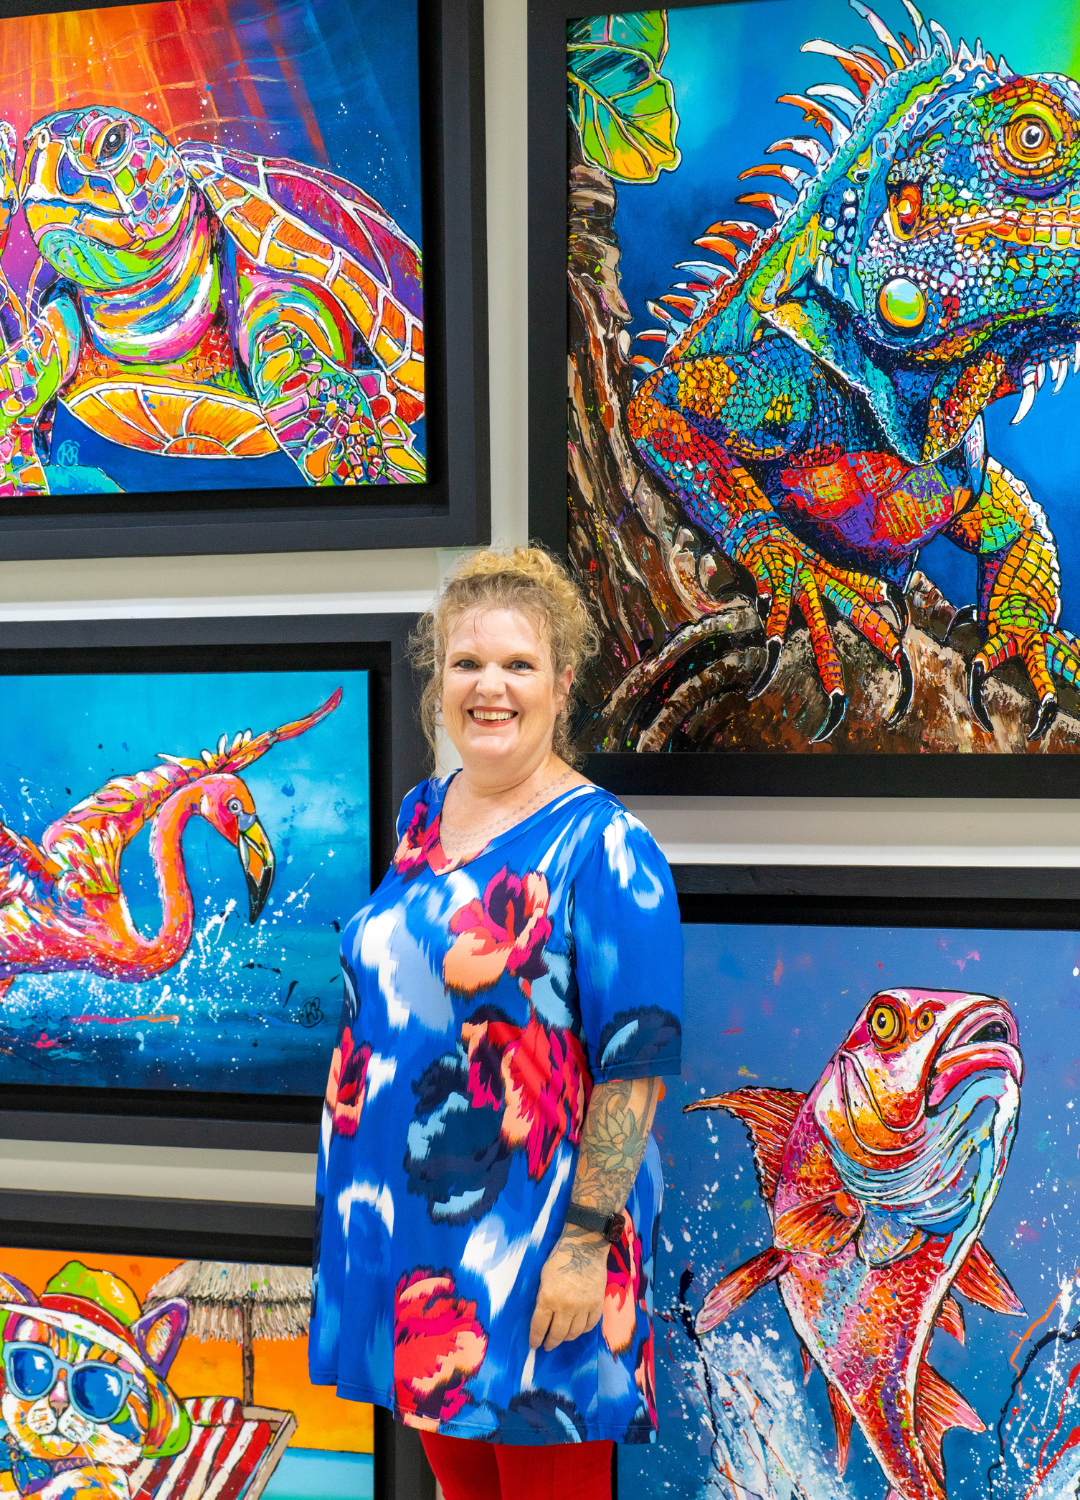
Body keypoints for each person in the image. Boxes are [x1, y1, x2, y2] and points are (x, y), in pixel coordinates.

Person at [309, 546, 683, 1500]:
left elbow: (635, 1064)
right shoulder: (422, 817)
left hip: (540, 1253)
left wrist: (585, 1242)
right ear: (441, 680)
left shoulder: (606, 847)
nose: (492, 687)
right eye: (469, 662)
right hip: (417, 1247)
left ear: (563, 682)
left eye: (519, 664)